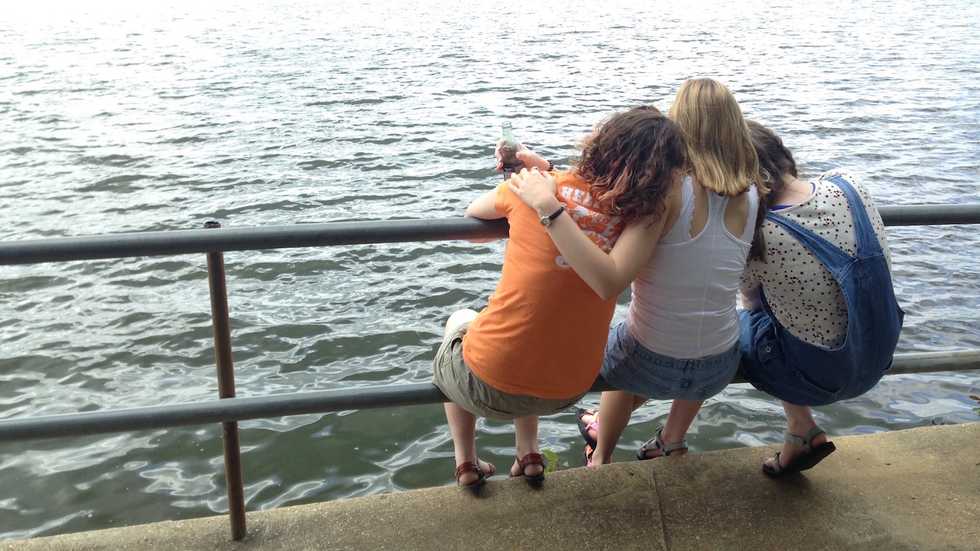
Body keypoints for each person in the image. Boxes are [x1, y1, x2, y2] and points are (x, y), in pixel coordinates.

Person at [508, 78, 763, 466]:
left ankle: (601, 455)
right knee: (698, 329)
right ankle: (671, 440)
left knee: (622, 349)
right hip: (718, 366)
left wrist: (549, 202)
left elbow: (606, 261)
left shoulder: (668, 191)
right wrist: (550, 170)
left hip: (649, 361)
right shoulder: (753, 193)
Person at [434, 106, 687, 491]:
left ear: (598, 145)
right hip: (568, 390)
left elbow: (474, 224)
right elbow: (600, 208)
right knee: (542, 336)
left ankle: (465, 461)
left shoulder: (536, 189)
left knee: (460, 323)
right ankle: (529, 454)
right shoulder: (639, 219)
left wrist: (532, 184)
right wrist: (545, 171)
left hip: (487, 384)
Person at [738, 120, 903, 476]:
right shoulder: (850, 184)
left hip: (823, 377)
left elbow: (751, 303)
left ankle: (801, 423)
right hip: (880, 357)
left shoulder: (761, 235)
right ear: (782, 153)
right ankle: (800, 432)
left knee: (740, 323)